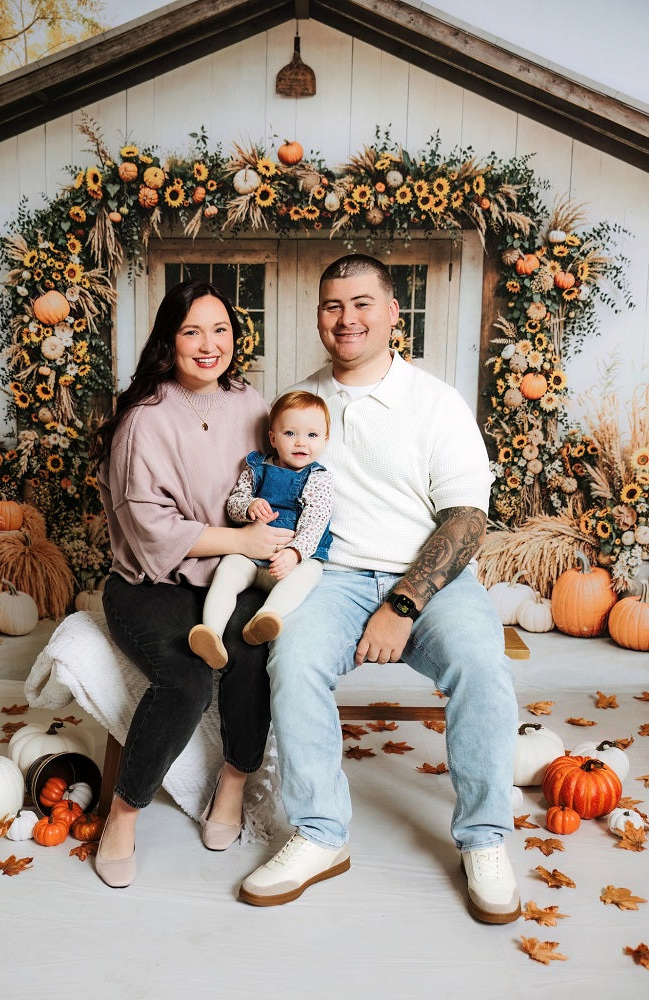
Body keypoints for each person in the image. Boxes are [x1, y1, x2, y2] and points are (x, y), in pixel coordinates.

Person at [238, 253, 520, 924]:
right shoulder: (301, 405)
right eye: (333, 305)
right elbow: (269, 490)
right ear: (318, 317)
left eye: (362, 303)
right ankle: (320, 833)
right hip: (330, 577)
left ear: (393, 313)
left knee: (481, 664)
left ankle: (483, 839)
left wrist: (401, 605)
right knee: (294, 659)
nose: (347, 318)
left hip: (429, 577)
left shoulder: (434, 402)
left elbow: (465, 519)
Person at [92, 279, 294, 887]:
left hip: (226, 578)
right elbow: (150, 530)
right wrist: (240, 541)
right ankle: (125, 812)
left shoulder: (252, 405)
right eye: (192, 332)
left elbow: (278, 483)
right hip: (148, 584)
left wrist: (283, 541)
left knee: (253, 651)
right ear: (169, 340)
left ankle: (233, 783)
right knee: (185, 678)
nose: (210, 345)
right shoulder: (144, 421)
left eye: (221, 331)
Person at [188, 390, 334, 670]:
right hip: (249, 555)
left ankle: (266, 617)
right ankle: (211, 634)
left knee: (311, 573)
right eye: (290, 433)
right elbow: (234, 502)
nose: (301, 442)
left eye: (312, 435)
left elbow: (315, 523)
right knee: (227, 570)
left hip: (286, 563)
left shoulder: (318, 479)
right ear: (273, 438)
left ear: (325, 439)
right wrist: (249, 505)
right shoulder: (257, 468)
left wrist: (294, 553)